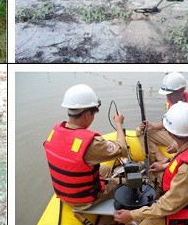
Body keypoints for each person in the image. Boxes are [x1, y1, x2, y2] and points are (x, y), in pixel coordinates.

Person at [43, 84, 127, 212]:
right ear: (87, 114)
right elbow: (122, 148)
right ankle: (107, 223)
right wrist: (118, 124)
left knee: (104, 168)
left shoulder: (55, 131)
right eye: (93, 114)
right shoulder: (92, 144)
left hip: (65, 194)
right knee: (127, 183)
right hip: (84, 200)